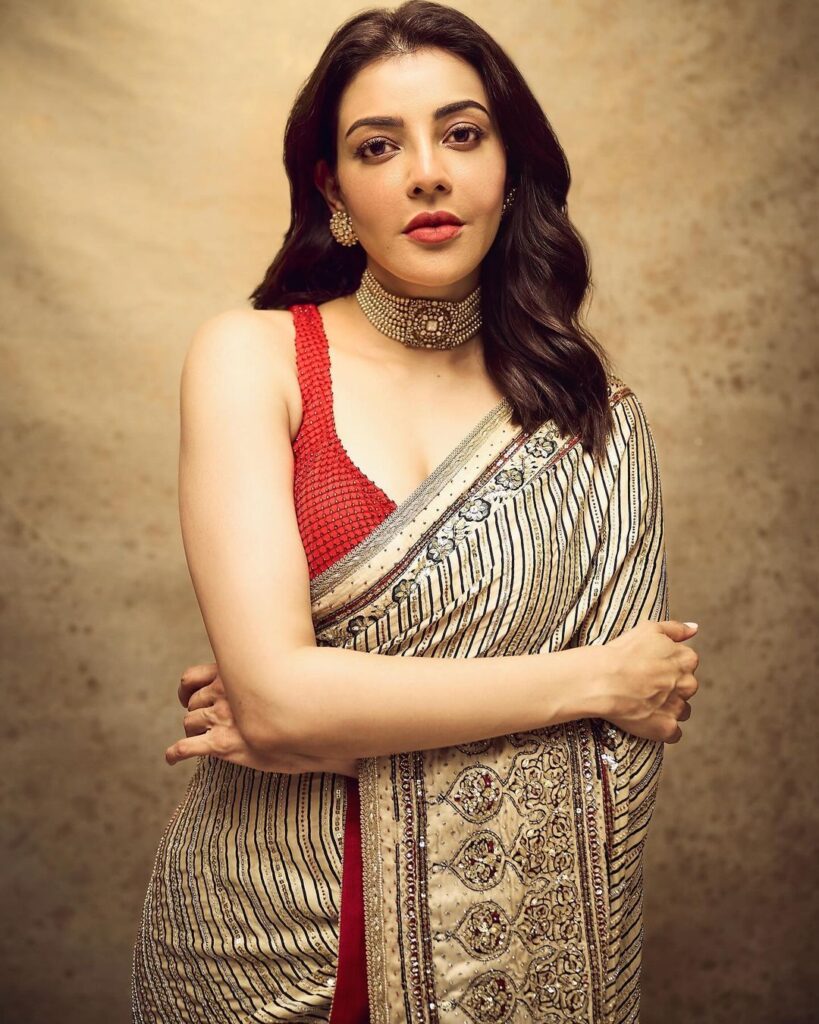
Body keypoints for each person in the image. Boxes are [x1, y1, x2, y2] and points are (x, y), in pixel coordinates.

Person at [131, 3, 700, 1022]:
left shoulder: (596, 422)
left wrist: (331, 719)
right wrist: (590, 680)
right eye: (378, 146)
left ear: (509, 169)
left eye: (462, 134)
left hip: (514, 956)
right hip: (265, 934)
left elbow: (627, 749)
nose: (427, 173)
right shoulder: (253, 359)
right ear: (332, 189)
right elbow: (279, 706)